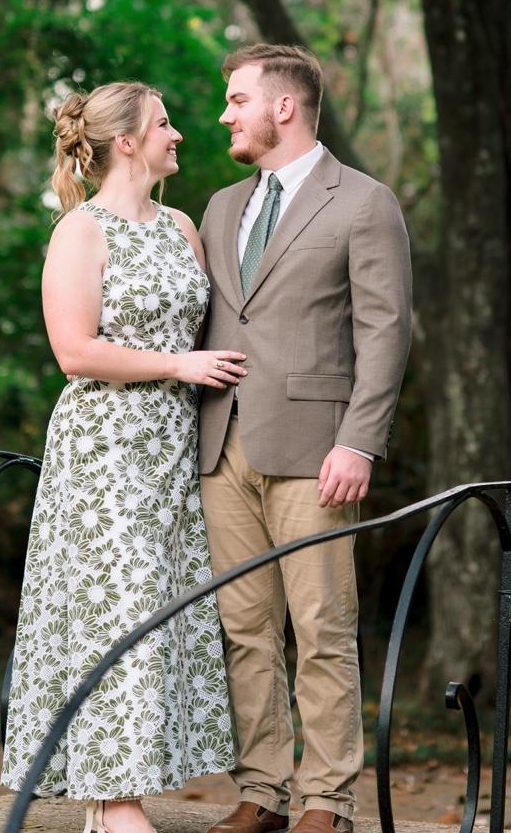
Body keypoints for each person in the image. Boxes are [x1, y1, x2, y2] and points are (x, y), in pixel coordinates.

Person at [1, 82, 244, 833]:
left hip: (175, 448)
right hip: (105, 451)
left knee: (162, 614)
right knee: (117, 610)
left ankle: (117, 796)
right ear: (128, 142)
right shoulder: (81, 231)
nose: (179, 134)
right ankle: (114, 803)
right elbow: (74, 352)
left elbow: (210, 330)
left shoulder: (180, 225)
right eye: (164, 123)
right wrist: (177, 366)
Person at [197, 45, 413, 833]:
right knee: (244, 630)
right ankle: (261, 791)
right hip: (220, 443)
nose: (225, 114)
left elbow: (385, 329)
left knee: (322, 628)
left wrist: (359, 441)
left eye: (237, 99)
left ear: (283, 106)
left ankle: (326, 800)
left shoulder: (363, 201)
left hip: (317, 449)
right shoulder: (221, 206)